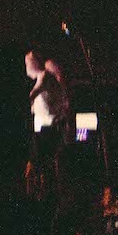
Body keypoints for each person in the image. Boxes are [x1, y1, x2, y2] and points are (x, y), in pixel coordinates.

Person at [25, 46, 73, 175]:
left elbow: (34, 92)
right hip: (44, 127)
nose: (26, 68)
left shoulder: (44, 75)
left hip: (48, 128)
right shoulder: (43, 77)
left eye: (27, 64)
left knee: (45, 163)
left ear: (33, 64)